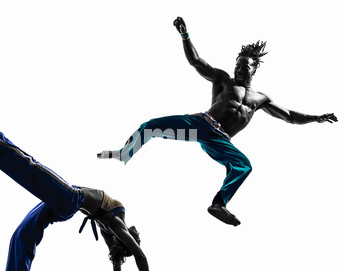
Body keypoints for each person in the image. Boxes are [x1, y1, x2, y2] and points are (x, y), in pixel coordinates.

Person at [97, 17, 338, 227]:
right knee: (152, 125)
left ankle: (218, 205)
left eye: (245, 67)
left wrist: (316, 118)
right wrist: (185, 35)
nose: (239, 69)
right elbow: (196, 61)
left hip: (220, 140)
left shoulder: (261, 99)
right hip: (201, 124)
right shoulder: (223, 79)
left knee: (244, 165)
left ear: (254, 69)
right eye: (238, 65)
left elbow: (289, 116)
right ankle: (124, 153)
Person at [0, 107, 151, 271]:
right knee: (23, 232)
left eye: (135, 237)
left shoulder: (117, 225)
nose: (136, 233)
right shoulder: (111, 234)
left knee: (32, 168)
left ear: (128, 239)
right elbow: (116, 261)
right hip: (66, 205)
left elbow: (140, 256)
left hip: (71, 198)